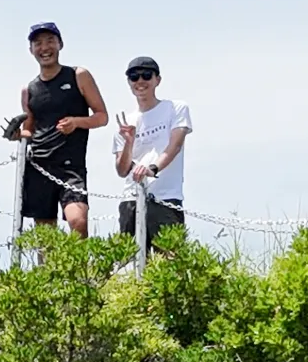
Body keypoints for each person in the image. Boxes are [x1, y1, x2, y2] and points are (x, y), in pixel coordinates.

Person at [10, 21, 108, 236]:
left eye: (50, 41)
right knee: (45, 235)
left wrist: (76, 122)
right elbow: (30, 130)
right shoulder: (29, 89)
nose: (45, 48)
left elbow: (102, 116)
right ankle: (47, 271)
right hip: (38, 165)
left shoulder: (78, 75)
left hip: (71, 166)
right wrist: (17, 135)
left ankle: (81, 270)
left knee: (78, 221)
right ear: (31, 50)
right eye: (38, 43)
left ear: (60, 44)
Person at [114, 56, 191, 244]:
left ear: (158, 79)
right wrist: (129, 142)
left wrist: (153, 168)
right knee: (129, 260)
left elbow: (175, 145)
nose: (140, 81)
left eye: (146, 75)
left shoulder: (175, 108)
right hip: (131, 198)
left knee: (168, 260)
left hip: (166, 198)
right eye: (134, 77)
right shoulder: (126, 121)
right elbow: (122, 170)